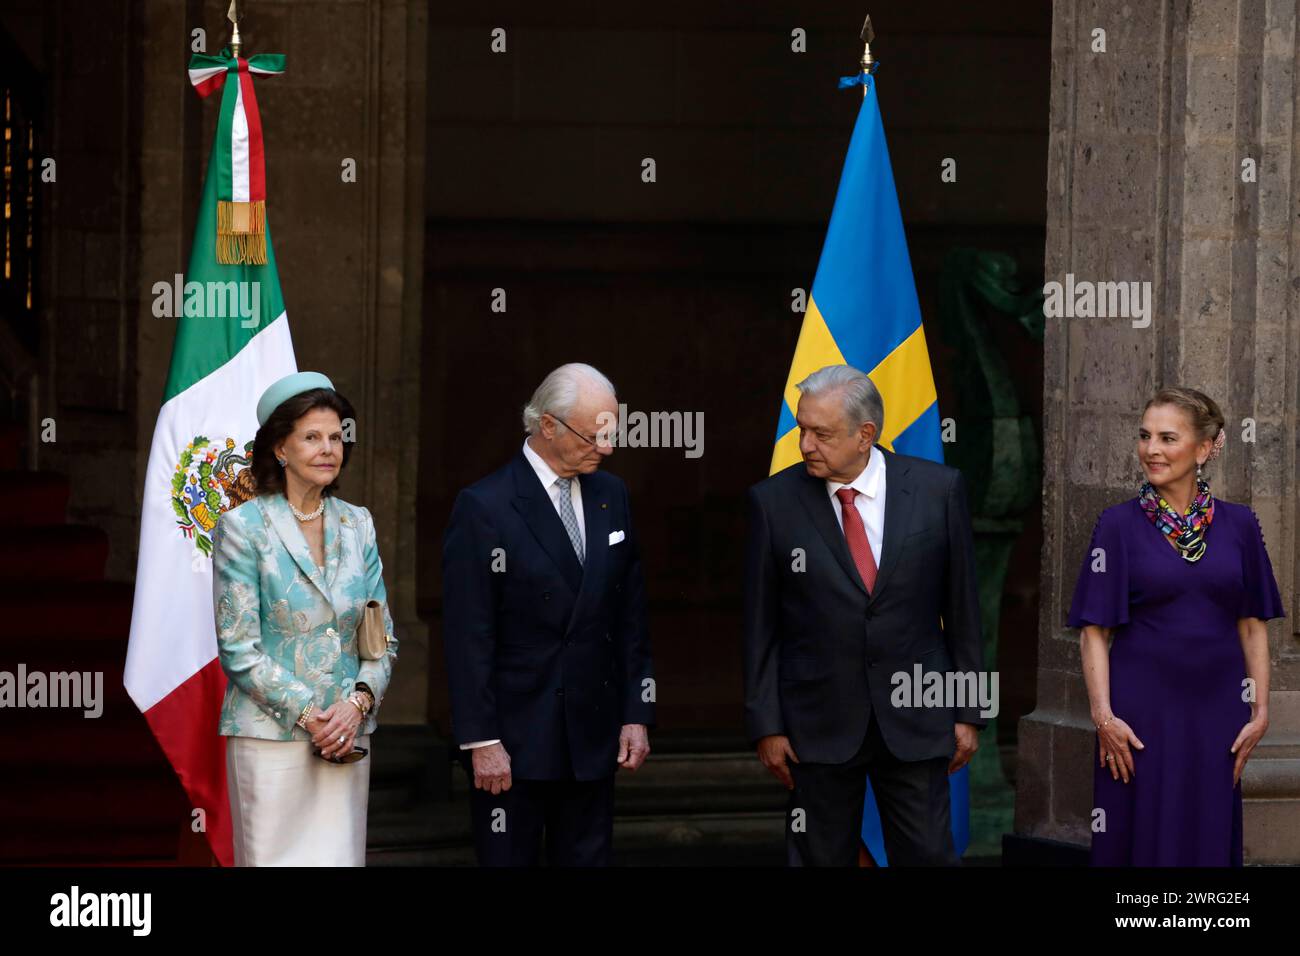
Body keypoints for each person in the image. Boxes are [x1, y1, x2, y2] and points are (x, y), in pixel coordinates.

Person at [743, 364, 986, 866]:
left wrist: (969, 711)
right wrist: (766, 725)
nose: (805, 444)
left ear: (865, 435)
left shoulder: (939, 490)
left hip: (919, 716)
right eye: (801, 428)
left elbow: (963, 609)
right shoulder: (773, 503)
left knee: (928, 857)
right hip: (817, 725)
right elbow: (760, 627)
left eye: (821, 433)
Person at [442, 362, 655, 866]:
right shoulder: (485, 506)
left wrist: (635, 713)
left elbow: (629, 615)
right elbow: (468, 634)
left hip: (593, 736)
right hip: (515, 741)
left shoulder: (612, 495)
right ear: (548, 425)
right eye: (593, 434)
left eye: (612, 433)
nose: (606, 448)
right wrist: (482, 739)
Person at [1069, 387, 1281, 866]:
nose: (1151, 450)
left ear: (1205, 448)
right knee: (1136, 832)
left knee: (1206, 834)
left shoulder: (1241, 525)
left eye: (1168, 438)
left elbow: (1253, 625)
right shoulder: (1116, 526)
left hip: (1218, 712)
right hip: (1139, 715)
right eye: (1145, 437)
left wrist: (1261, 712)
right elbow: (1094, 632)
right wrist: (1104, 716)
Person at [211, 371, 398, 866]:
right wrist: (312, 715)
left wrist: (357, 704)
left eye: (336, 437)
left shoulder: (358, 524)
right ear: (279, 447)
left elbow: (381, 640)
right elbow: (238, 650)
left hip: (346, 740)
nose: (328, 449)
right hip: (271, 742)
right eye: (312, 437)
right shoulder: (243, 528)